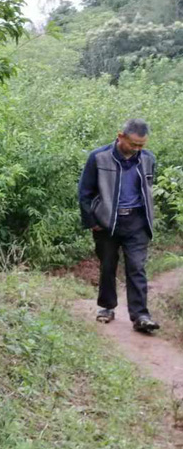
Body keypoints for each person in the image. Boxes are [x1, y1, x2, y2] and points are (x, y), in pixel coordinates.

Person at [78, 118, 159, 332]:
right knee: (107, 265)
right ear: (120, 136)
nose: (137, 149)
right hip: (107, 222)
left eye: (142, 145)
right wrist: (92, 221)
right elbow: (84, 192)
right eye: (133, 144)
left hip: (137, 222)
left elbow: (149, 188)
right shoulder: (98, 157)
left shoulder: (148, 159)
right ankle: (106, 307)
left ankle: (140, 315)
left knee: (137, 267)